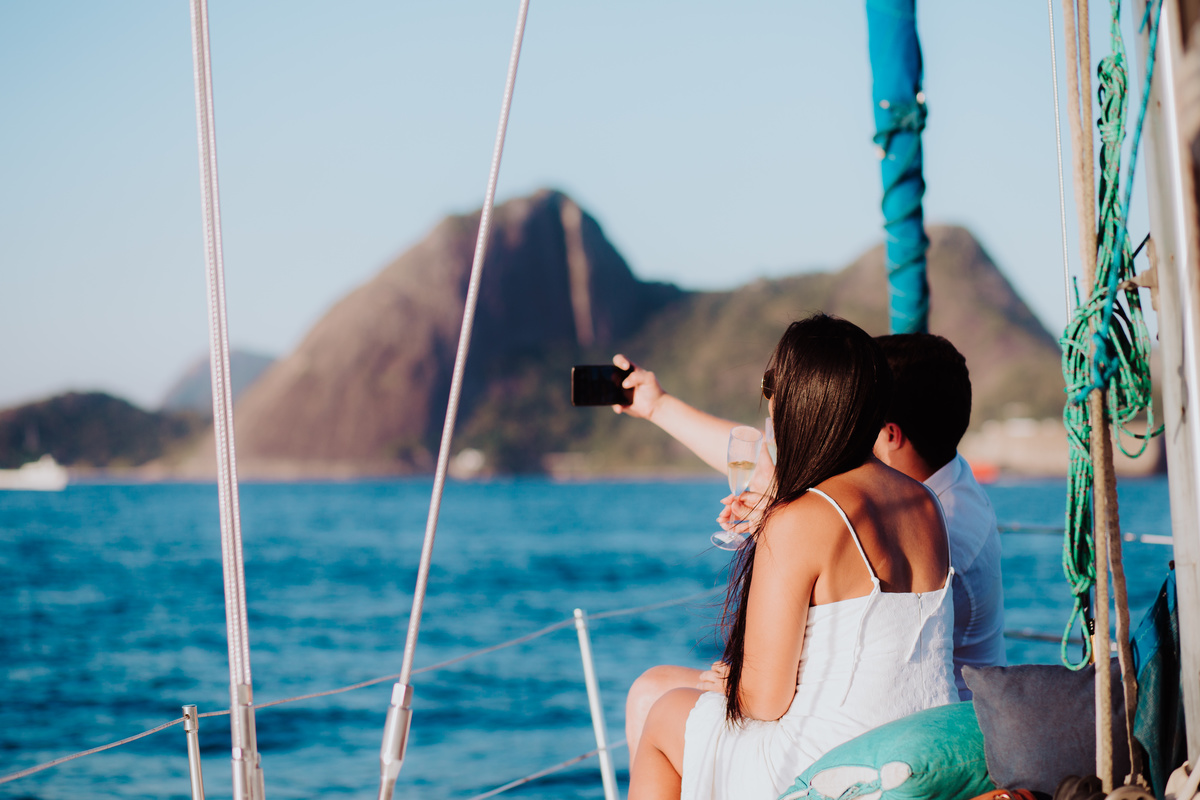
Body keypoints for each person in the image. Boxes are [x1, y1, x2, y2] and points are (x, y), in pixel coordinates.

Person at [616, 330, 1004, 758]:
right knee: (657, 691)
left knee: (655, 701)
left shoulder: (948, 528)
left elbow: (774, 695)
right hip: (911, 719)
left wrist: (780, 524)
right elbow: (760, 461)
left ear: (887, 432)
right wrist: (657, 406)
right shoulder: (933, 493)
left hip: (880, 735)